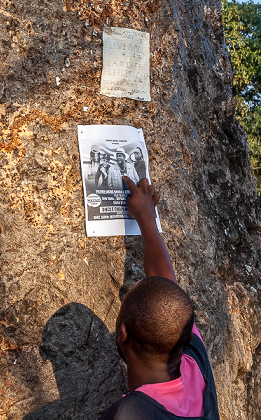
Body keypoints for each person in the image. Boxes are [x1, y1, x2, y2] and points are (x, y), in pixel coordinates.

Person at [100, 177, 219, 420]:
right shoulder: (196, 363)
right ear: (186, 336)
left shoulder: (129, 414)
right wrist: (146, 218)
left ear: (123, 333)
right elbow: (166, 286)